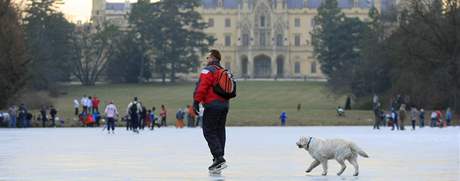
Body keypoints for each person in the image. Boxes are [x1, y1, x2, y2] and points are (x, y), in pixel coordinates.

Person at [193, 49, 231, 172]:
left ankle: (219, 158)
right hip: (224, 105)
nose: (207, 60)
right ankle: (218, 158)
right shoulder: (223, 71)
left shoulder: (208, 70)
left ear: (213, 58)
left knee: (208, 130)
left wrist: (196, 101)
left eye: (208, 57)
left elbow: (202, 86)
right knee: (220, 130)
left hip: (212, 104)